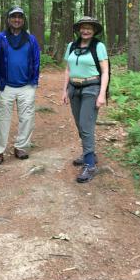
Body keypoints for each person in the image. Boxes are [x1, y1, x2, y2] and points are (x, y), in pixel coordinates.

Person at [0, 6, 40, 164]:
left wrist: (34, 81)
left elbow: (36, 60)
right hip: (6, 86)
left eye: (20, 17)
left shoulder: (31, 39)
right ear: (8, 19)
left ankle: (21, 146)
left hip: (26, 85)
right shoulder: (0, 38)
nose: (17, 20)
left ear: (24, 20)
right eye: (13, 17)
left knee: (27, 118)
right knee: (2, 119)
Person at [62, 16, 109, 183]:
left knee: (85, 125)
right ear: (78, 29)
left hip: (92, 88)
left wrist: (102, 94)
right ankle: (90, 153)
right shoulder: (72, 46)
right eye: (83, 27)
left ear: (94, 30)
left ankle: (90, 165)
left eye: (89, 27)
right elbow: (68, 69)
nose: (86, 30)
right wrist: (64, 90)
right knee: (79, 124)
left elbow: (105, 71)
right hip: (74, 89)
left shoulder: (99, 46)